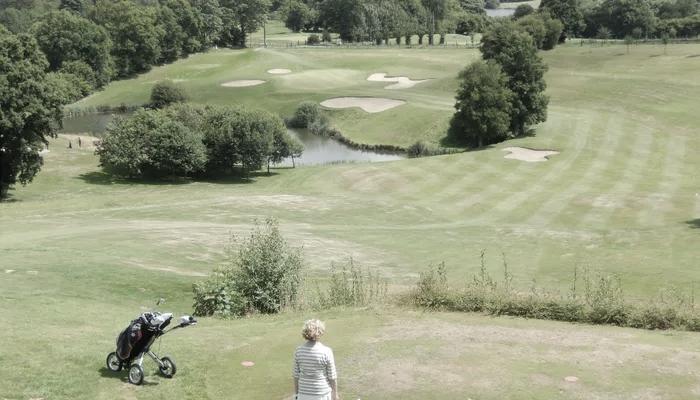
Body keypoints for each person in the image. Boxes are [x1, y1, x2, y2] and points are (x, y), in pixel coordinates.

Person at [293, 319, 339, 400]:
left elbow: (296, 375)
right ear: (320, 332)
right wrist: (335, 395)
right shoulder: (326, 351)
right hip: (322, 395)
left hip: (303, 394)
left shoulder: (298, 351)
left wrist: (296, 394)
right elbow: (332, 376)